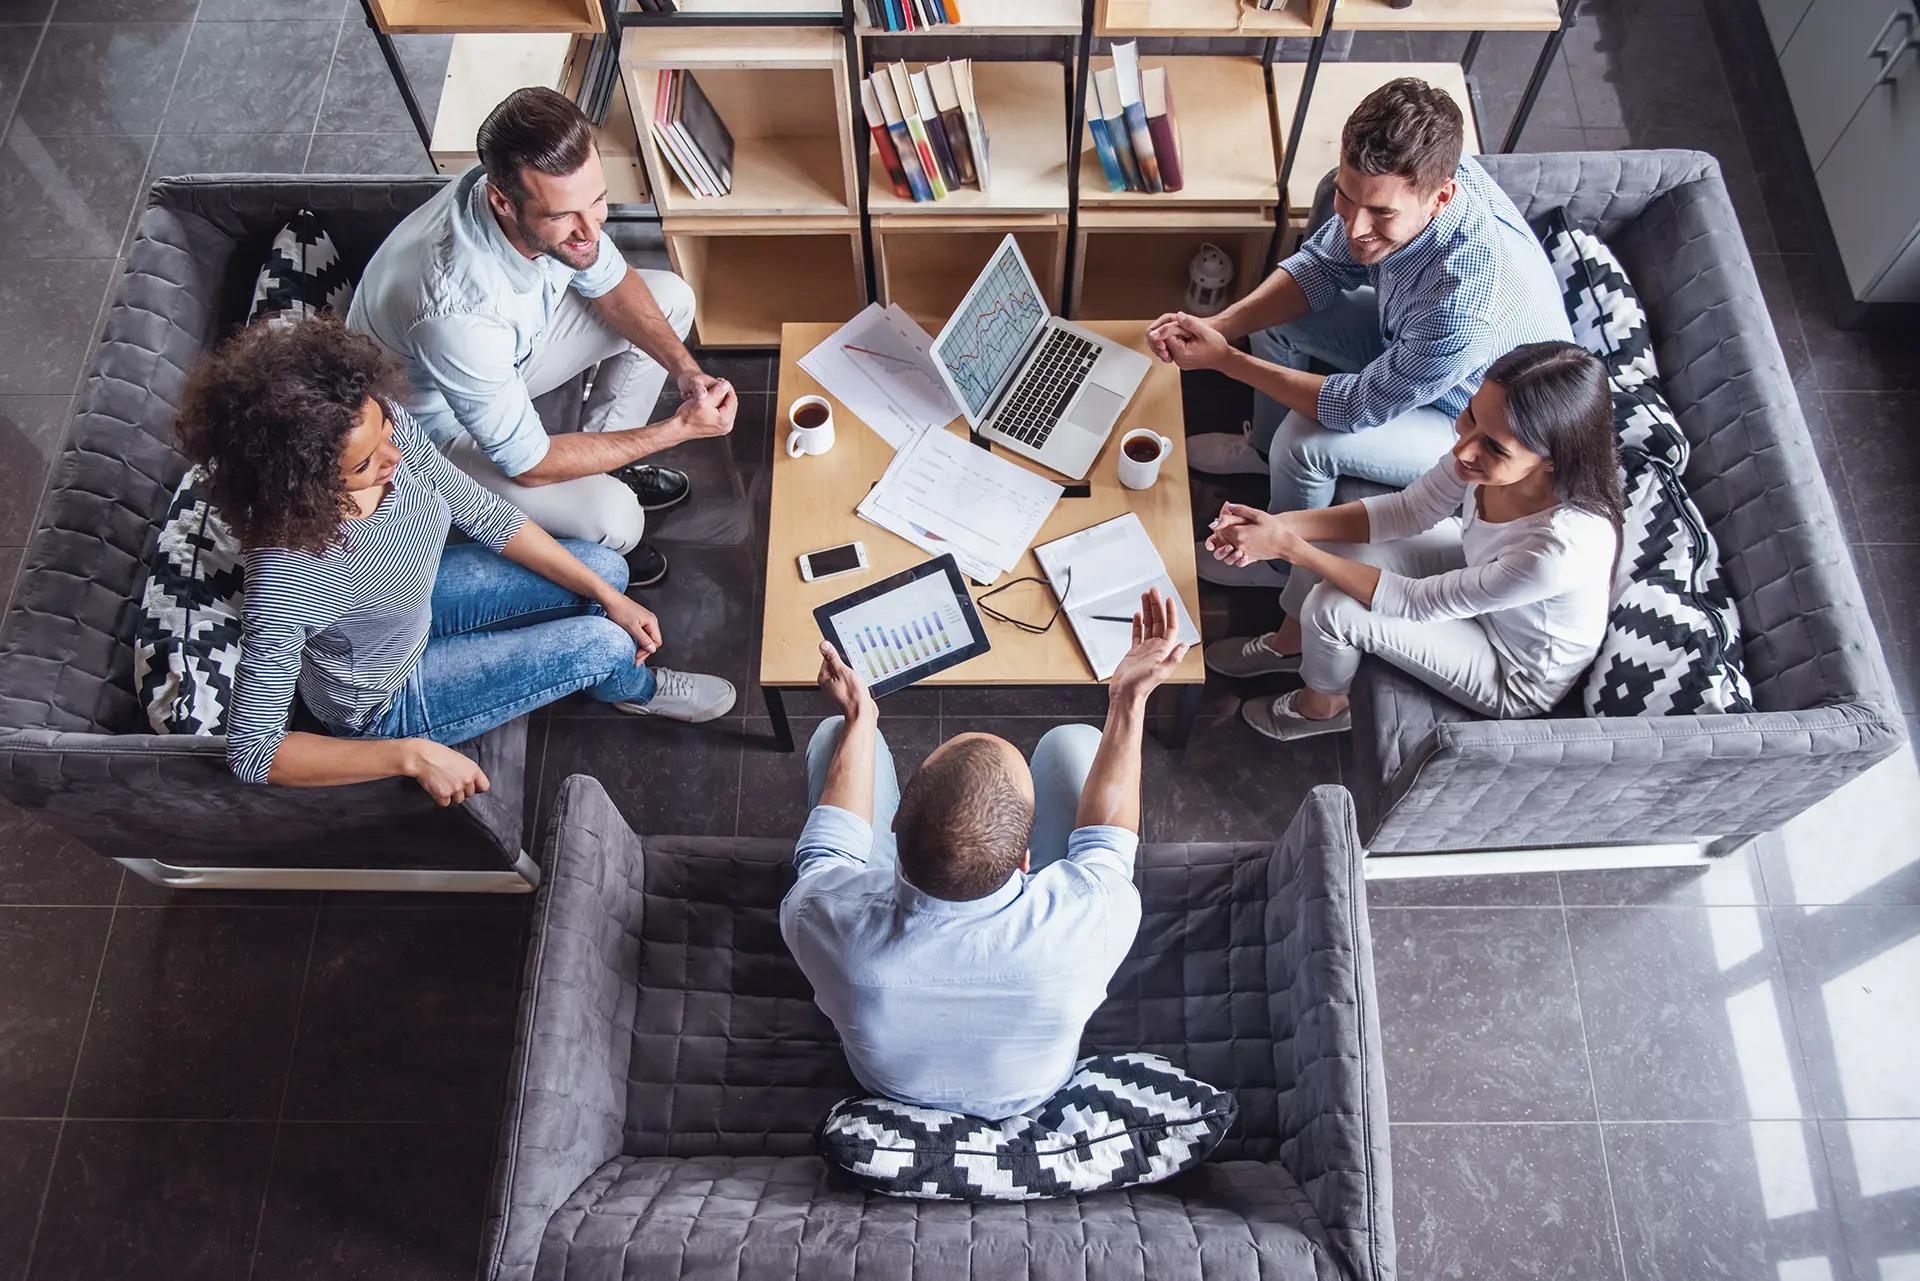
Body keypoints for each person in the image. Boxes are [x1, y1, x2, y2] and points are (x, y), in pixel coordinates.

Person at [175, 317, 737, 801]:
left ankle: (592, 660)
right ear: (310, 485)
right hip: (385, 698)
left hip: (416, 601)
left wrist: (609, 596)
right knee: (606, 641)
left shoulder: (386, 425)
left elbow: (487, 516)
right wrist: (411, 757)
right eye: (369, 463)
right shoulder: (286, 577)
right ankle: (628, 686)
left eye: (387, 429)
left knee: (607, 572)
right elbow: (253, 754)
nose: (397, 453)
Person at [780, 589, 1191, 1120]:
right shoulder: (1093, 916)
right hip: (1030, 1090)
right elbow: (1107, 839)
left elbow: (827, 848)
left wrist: (860, 716)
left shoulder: (820, 916)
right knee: (1072, 745)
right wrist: (1128, 700)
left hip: (892, 1088)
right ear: (1028, 861)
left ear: (894, 829)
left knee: (834, 736)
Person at [1147, 77, 1573, 590]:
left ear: (1441, 197)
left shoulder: (1462, 311)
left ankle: (1276, 563)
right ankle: (1259, 453)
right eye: (1348, 200)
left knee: (1304, 441)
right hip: (1410, 340)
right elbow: (1323, 266)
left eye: (1381, 214)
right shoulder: (1438, 166)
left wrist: (1223, 360)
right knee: (1279, 319)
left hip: (1469, 415)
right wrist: (1216, 328)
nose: (1354, 228)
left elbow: (1352, 409)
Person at [349, 86, 735, 589]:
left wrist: (687, 372)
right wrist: (677, 429)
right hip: (436, 426)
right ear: (502, 201)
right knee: (618, 521)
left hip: (507, 354)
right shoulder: (456, 311)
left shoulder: (548, 203)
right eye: (562, 217)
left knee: (671, 298)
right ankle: (584, 536)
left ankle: (605, 467)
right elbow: (528, 464)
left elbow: (615, 288)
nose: (590, 231)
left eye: (596, 201)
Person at [1201, 341, 1622, 742]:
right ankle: (1288, 645)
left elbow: (1416, 602)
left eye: (1493, 447)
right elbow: (1406, 511)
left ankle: (1323, 708)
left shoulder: (1558, 549)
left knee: (1332, 608)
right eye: (1470, 416)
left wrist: (1289, 547)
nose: (1463, 449)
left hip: (1511, 668)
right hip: (1479, 577)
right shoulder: (1480, 456)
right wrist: (1279, 525)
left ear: (1551, 461)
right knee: (1329, 548)